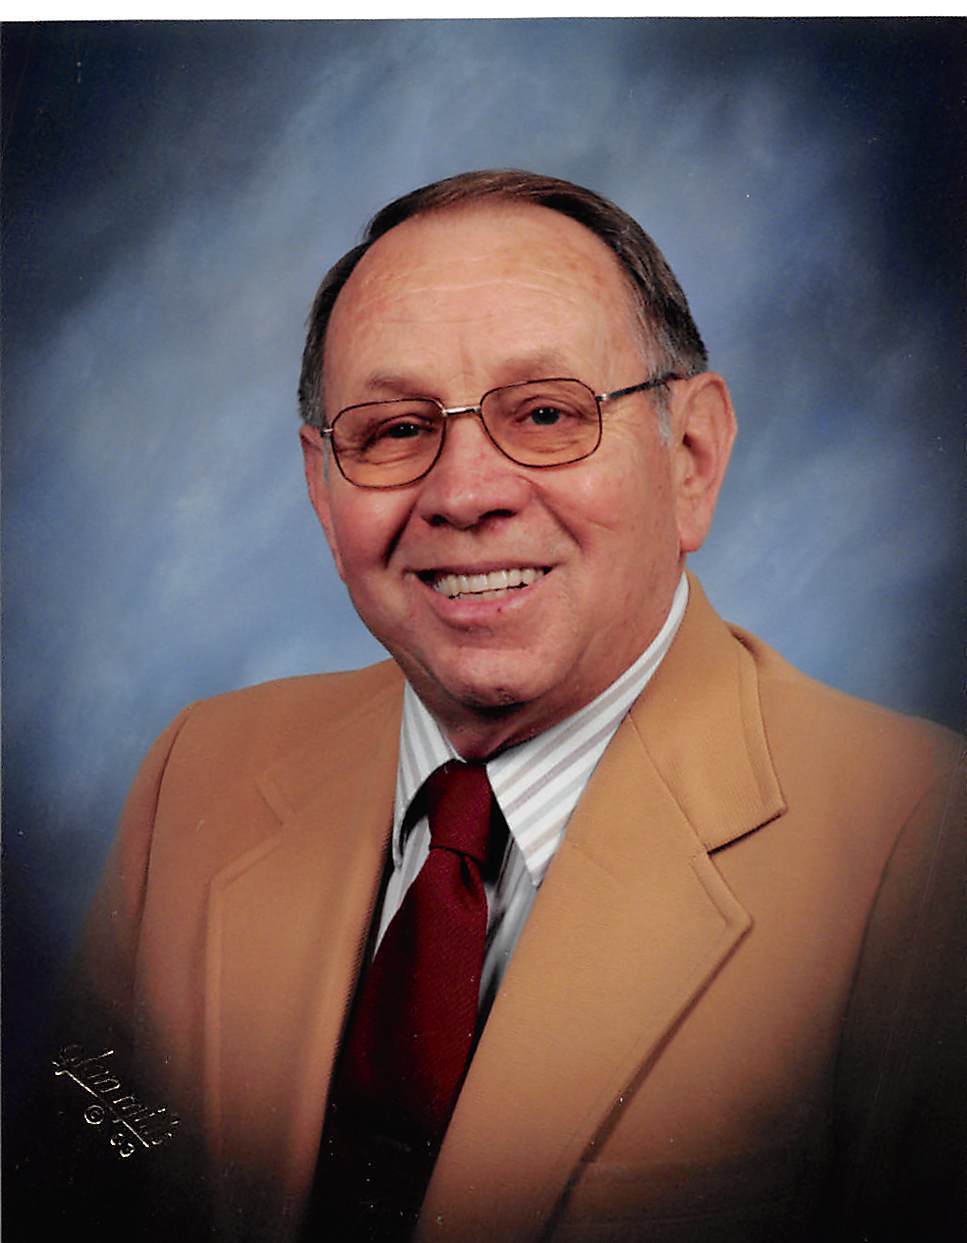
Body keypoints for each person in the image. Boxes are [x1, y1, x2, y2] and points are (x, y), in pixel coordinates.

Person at [47, 170, 963, 1242]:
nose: (465, 492)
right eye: (395, 429)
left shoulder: (920, 840)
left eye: (545, 413)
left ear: (691, 459)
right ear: (322, 489)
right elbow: (86, 1180)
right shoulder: (196, 771)